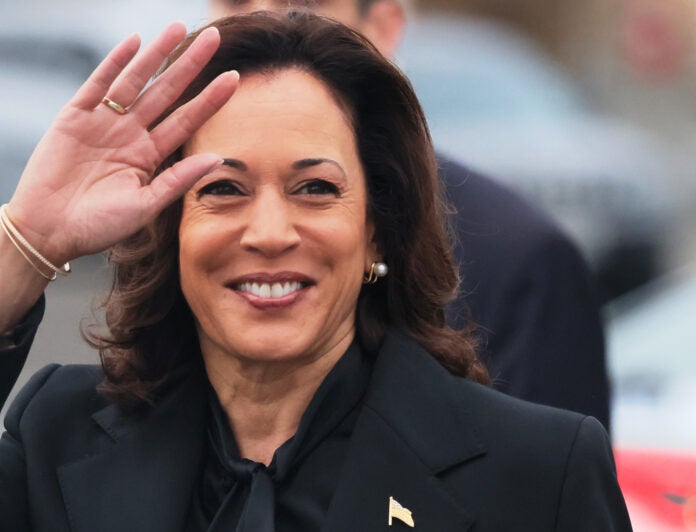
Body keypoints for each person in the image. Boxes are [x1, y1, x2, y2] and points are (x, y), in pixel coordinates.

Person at [0, 13, 630, 531]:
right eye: (222, 190)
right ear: (171, 233)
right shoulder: (58, 438)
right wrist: (24, 242)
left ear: (375, 225)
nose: (269, 232)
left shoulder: (536, 471)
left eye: (315, 188)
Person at [209, 0, 612, 428]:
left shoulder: (519, 260)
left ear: (383, 25)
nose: (265, 20)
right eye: (236, 2)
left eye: (306, 5)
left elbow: (545, 477)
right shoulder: (153, 231)